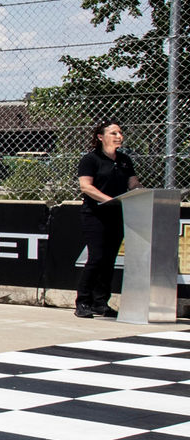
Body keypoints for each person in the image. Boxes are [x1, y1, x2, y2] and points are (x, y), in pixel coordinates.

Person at [75, 119, 138, 318]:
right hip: (95, 214)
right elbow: (86, 187)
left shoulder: (125, 160)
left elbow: (133, 183)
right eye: (113, 133)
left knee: (109, 259)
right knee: (97, 257)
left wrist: (138, 192)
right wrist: (109, 200)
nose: (119, 136)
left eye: (120, 133)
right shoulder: (90, 159)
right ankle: (83, 302)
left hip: (117, 214)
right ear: (100, 137)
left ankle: (101, 303)